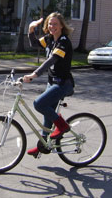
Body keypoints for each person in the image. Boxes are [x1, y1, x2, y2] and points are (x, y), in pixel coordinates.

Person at [23, 12, 75, 157]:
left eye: (55, 24)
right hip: (52, 83)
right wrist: (31, 29)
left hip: (63, 84)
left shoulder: (64, 42)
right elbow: (35, 44)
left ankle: (63, 126)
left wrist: (34, 74)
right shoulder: (50, 39)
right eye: (50, 24)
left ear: (61, 26)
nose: (52, 27)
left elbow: (51, 60)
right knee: (48, 116)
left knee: (39, 104)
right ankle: (43, 146)